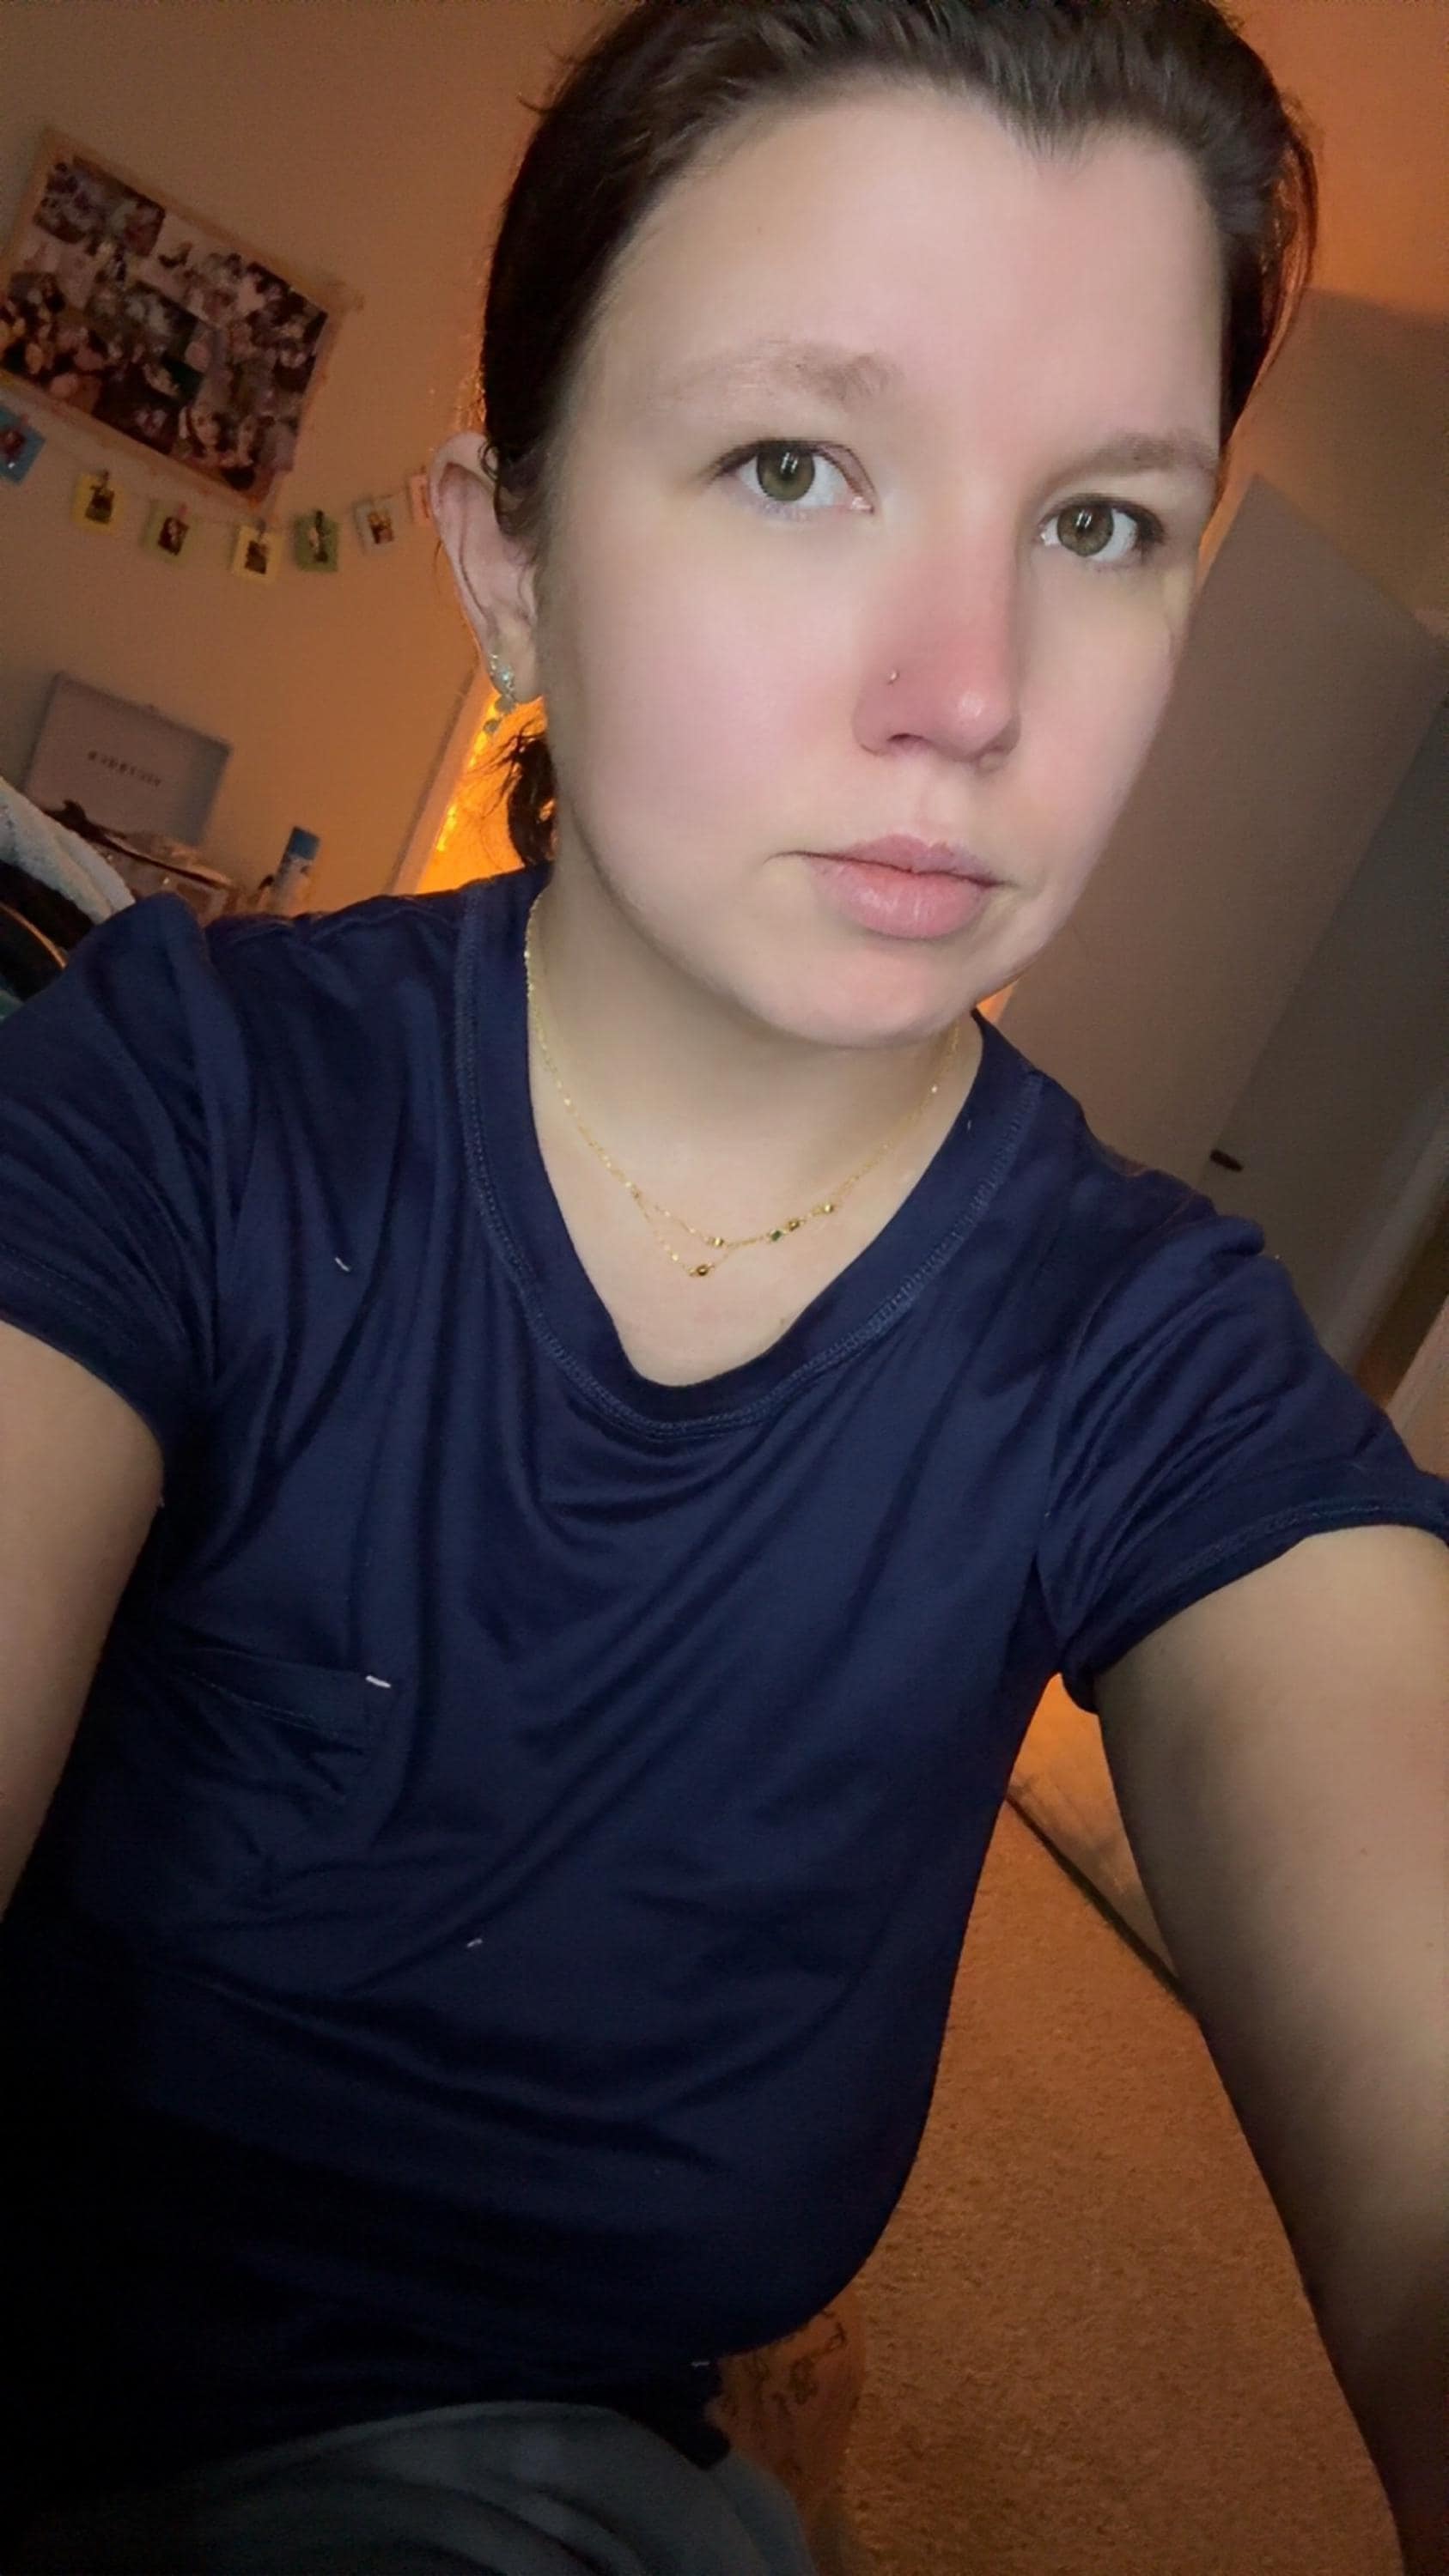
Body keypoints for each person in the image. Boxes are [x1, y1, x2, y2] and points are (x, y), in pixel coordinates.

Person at [0, 3, 1444, 2570]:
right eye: (797, 466)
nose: (971, 696)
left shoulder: (1150, 1363)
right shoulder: (179, 1089)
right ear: (510, 560)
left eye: (1104, 522)